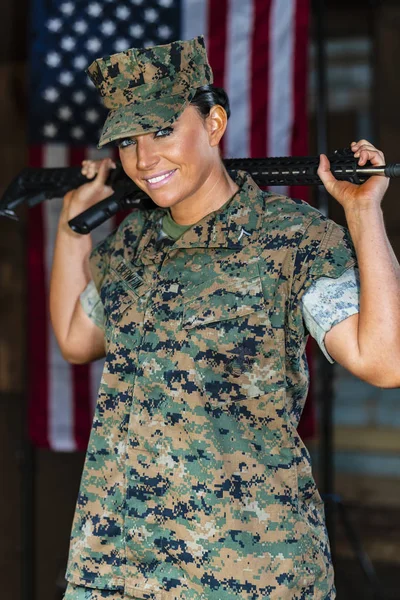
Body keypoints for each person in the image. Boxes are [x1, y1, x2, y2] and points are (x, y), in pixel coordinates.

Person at [50, 37, 400, 600]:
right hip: (114, 567)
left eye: (162, 131)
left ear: (214, 122)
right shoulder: (131, 244)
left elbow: (385, 361)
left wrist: (363, 216)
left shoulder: (290, 238)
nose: (144, 160)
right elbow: (75, 340)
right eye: (127, 142)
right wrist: (73, 231)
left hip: (247, 571)